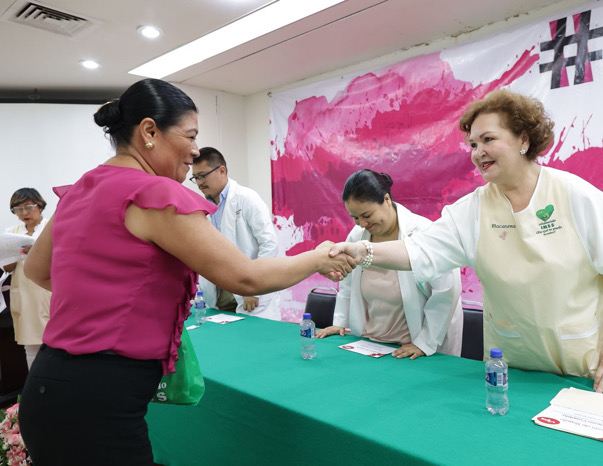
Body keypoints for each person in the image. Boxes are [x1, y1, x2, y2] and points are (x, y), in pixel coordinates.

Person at [18, 78, 354, 466]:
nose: (196, 152)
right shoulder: (155, 195)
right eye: (190, 136)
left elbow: (38, 270)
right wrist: (319, 257)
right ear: (149, 131)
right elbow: (245, 277)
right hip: (99, 402)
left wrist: (103, 296)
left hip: (48, 386)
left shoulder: (79, 191)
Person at [330, 89, 603, 396]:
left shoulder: (576, 196)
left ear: (523, 140)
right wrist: (364, 251)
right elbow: (419, 250)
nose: (478, 152)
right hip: (517, 367)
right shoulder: (473, 210)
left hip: (594, 362)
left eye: (488, 139)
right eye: (472, 144)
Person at [316, 170, 463, 359]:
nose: (361, 223)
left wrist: (424, 343)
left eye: (366, 215)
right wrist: (340, 322)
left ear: (386, 200)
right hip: (372, 343)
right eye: (355, 217)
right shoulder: (356, 236)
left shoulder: (424, 233)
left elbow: (446, 292)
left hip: (415, 347)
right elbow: (347, 284)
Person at [191, 147, 281, 320]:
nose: (200, 182)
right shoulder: (201, 208)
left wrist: (254, 286)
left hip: (250, 294)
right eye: (195, 178)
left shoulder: (247, 198)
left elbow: (269, 243)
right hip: (219, 295)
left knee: (250, 341)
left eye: (203, 175)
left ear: (221, 170)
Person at [3, 188, 51, 369]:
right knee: (30, 346)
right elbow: (7, 268)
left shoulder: (50, 227)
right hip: (24, 293)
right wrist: (12, 254)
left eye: (28, 207)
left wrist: (37, 252)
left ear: (39, 206)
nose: (24, 213)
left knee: (56, 343)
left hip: (47, 290)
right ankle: (35, 389)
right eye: (17, 209)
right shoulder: (12, 232)